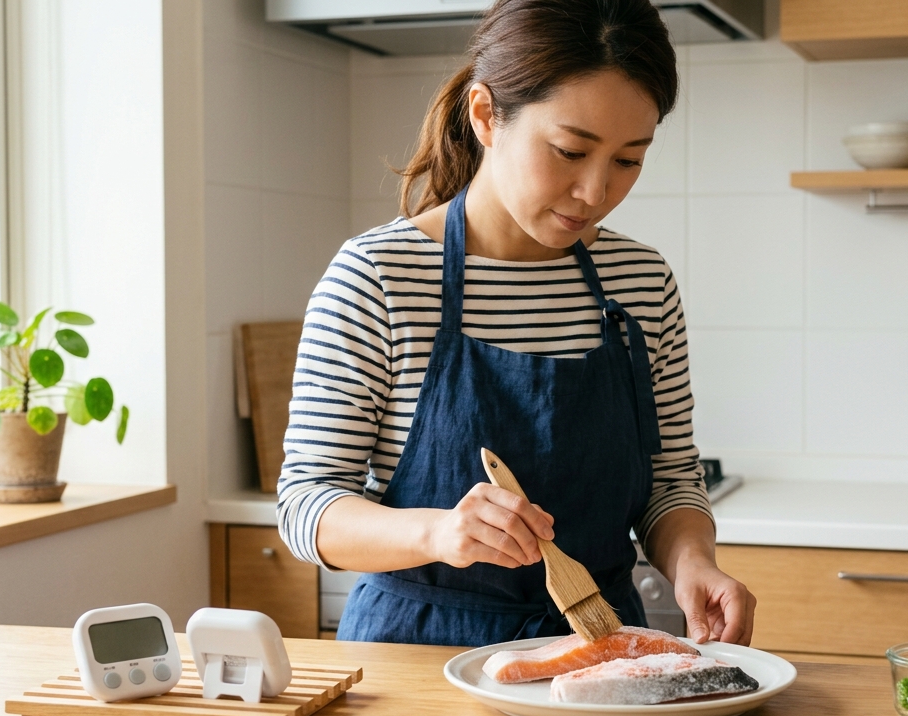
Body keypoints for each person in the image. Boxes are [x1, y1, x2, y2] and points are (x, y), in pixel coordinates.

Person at [276, 0, 755, 648]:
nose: (595, 191)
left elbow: (669, 481)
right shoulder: (379, 276)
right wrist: (438, 533)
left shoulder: (640, 283)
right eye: (569, 151)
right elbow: (306, 506)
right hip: (413, 655)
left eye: (628, 159)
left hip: (597, 650)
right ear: (485, 116)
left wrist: (692, 562)